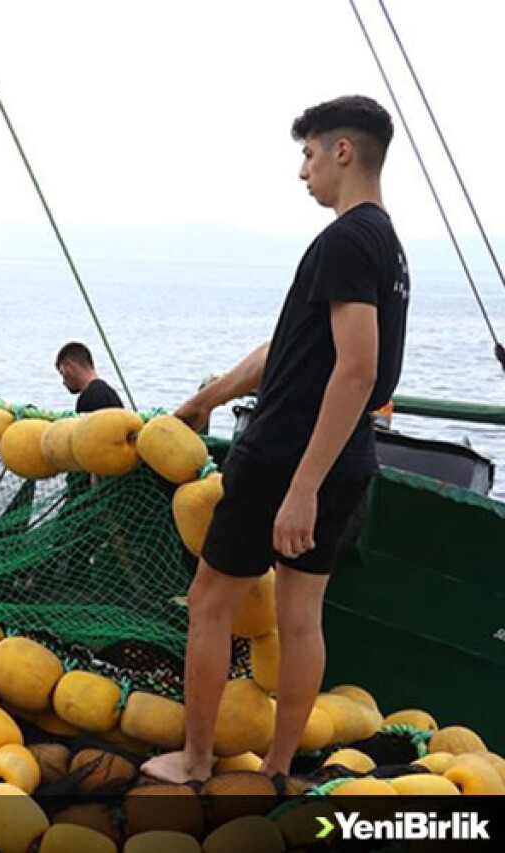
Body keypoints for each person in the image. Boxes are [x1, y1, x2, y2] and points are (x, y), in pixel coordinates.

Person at [141, 95, 410, 784]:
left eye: (309, 154)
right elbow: (287, 348)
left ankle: (195, 761)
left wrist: (301, 487)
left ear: (343, 152)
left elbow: (357, 369)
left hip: (290, 456)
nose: (303, 171)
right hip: (347, 456)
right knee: (300, 617)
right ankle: (279, 769)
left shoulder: (345, 240)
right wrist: (206, 399)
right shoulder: (386, 246)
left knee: (209, 602)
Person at [56, 342, 124, 413]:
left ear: (69, 367)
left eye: (62, 373)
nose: (64, 382)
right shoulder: (111, 394)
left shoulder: (89, 398)